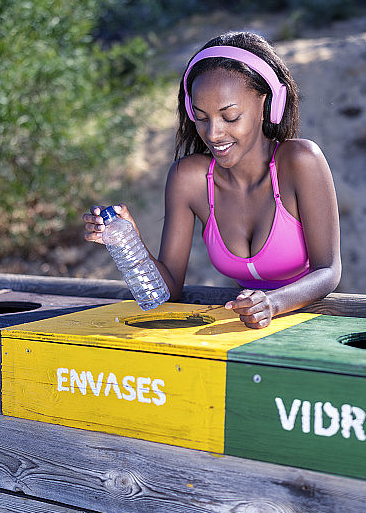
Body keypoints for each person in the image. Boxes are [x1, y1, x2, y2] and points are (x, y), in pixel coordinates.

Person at [83, 31, 340, 329]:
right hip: (244, 330)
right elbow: (170, 289)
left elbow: (329, 271)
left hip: (312, 325)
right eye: (202, 118)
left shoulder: (300, 162)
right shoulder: (188, 179)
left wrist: (273, 303)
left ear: (268, 104)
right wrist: (130, 241)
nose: (214, 134)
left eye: (230, 117)